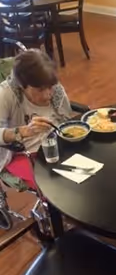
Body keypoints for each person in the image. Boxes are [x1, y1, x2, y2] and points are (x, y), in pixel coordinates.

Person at [0, 49, 72, 190]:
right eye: (39, 90)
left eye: (50, 87)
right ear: (22, 85)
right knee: (57, 185)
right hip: (23, 154)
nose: (47, 95)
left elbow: (67, 121)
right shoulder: (5, 94)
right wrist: (23, 131)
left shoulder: (55, 88)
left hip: (57, 146)